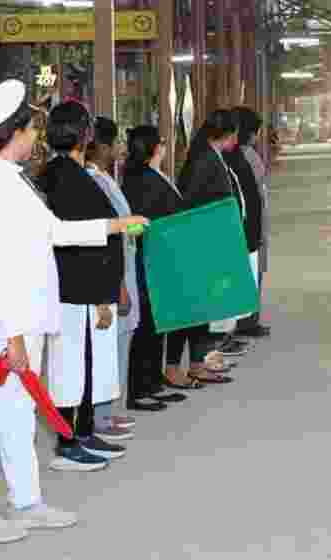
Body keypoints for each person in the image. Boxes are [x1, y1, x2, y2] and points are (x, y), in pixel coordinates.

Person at [0, 79, 148, 543]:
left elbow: (55, 232)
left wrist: (114, 224)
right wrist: (14, 338)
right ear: (14, 135)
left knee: (19, 417)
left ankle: (26, 501)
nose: (35, 139)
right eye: (30, 131)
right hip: (7, 326)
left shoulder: (11, 182)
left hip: (26, 320)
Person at [42, 101, 134, 471]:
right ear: (85, 135)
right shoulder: (66, 178)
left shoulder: (68, 174)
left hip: (85, 289)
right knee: (70, 368)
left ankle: (82, 433)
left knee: (86, 366)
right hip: (75, 291)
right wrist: (101, 295)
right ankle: (67, 442)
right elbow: (77, 240)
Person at [121, 125, 198, 408]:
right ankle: (140, 389)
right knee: (146, 326)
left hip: (161, 260)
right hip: (149, 260)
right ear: (153, 148)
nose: (165, 146)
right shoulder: (141, 179)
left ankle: (152, 382)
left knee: (156, 323)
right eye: (162, 142)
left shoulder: (151, 175)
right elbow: (152, 219)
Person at [166, 110, 245, 382]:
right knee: (192, 308)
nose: (236, 139)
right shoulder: (204, 159)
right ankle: (180, 365)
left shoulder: (212, 156)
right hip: (198, 242)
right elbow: (189, 201)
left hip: (208, 241)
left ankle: (197, 362)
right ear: (224, 134)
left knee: (202, 307)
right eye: (234, 133)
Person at [85, 116, 140, 434]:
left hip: (124, 267)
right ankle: (101, 416)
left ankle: (108, 411)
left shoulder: (105, 179)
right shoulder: (95, 182)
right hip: (115, 275)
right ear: (102, 147)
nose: (121, 148)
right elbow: (111, 231)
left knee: (119, 343)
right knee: (109, 346)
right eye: (116, 143)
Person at [229, 107, 270, 338]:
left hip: (251, 224)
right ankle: (248, 321)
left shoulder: (239, 155)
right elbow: (256, 196)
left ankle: (246, 320)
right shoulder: (248, 156)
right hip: (253, 226)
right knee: (253, 273)